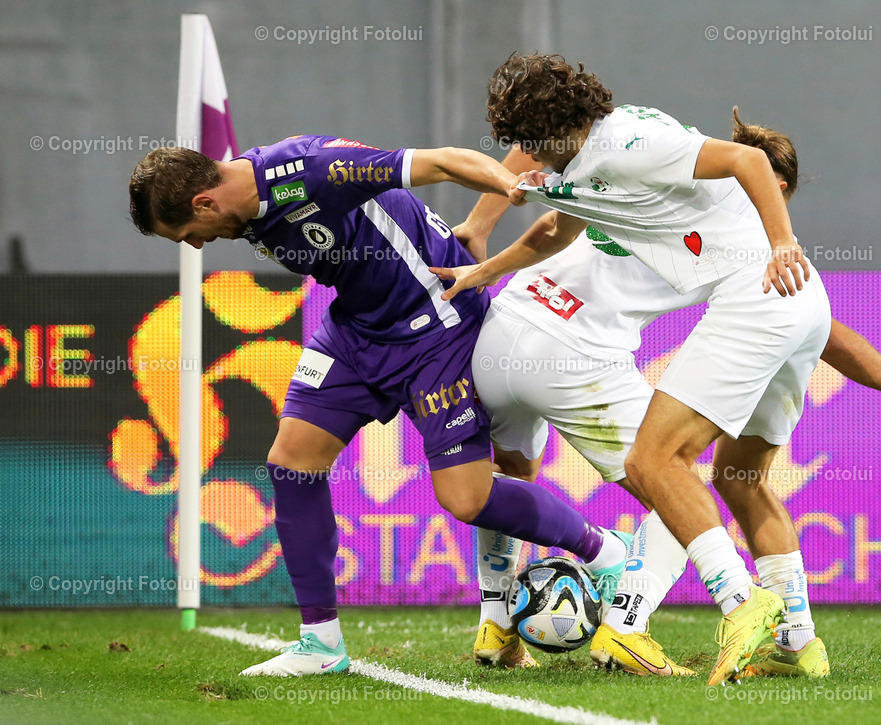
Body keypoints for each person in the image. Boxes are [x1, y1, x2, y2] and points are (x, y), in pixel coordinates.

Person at [433, 52, 881, 685]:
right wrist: (785, 242)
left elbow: (544, 203)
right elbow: (747, 174)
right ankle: (667, 619)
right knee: (683, 479)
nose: (526, 151)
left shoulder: (625, 163)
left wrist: (480, 241)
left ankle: (504, 614)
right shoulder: (646, 160)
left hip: (509, 332)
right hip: (597, 349)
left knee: (663, 476)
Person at [127, 135, 633, 676]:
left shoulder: (312, 169)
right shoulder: (241, 208)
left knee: (467, 499)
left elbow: (441, 161)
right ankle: (321, 644)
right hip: (355, 331)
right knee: (292, 464)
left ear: (204, 204)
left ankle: (607, 552)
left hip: (434, 323)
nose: (196, 247)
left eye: (187, 236)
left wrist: (507, 187)